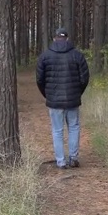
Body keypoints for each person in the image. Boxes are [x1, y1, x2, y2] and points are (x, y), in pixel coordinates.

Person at [35, 27, 90, 169]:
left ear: (54, 39)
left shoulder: (45, 56)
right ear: (67, 38)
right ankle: (73, 158)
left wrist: (48, 95)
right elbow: (84, 78)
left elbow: (39, 80)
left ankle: (60, 161)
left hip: (54, 101)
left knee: (57, 130)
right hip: (72, 99)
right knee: (74, 127)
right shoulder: (77, 56)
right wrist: (77, 93)